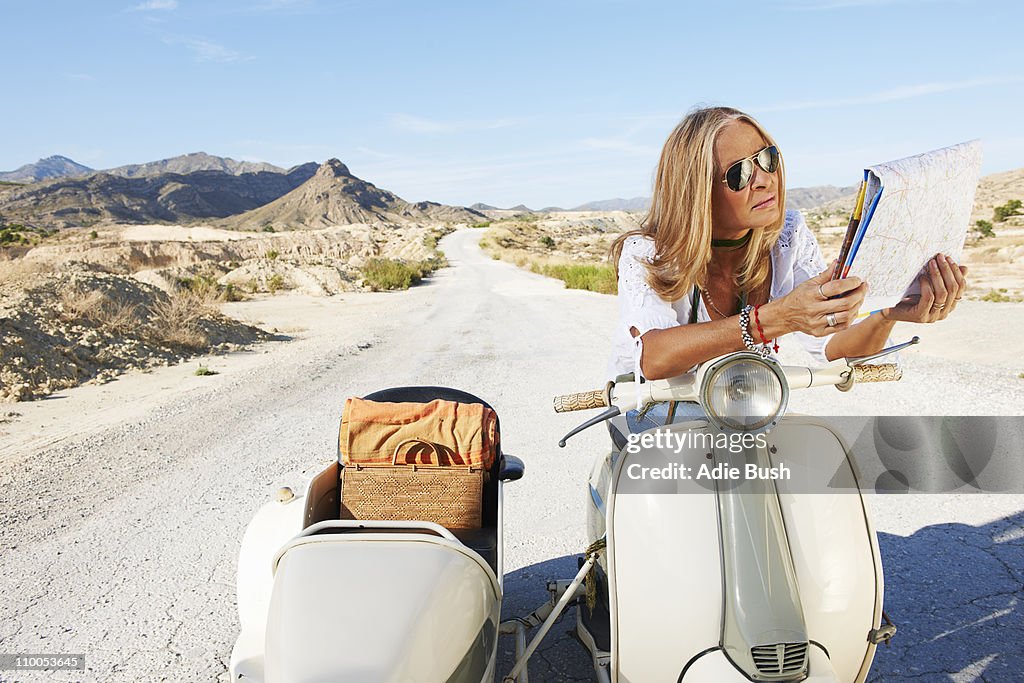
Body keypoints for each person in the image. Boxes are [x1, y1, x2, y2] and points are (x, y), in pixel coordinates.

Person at [608, 106, 968, 432]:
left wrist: (887, 314)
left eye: (767, 159)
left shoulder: (788, 236)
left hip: (745, 410)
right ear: (696, 191)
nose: (764, 178)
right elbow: (654, 359)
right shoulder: (647, 250)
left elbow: (835, 350)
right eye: (739, 174)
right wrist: (776, 318)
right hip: (654, 416)